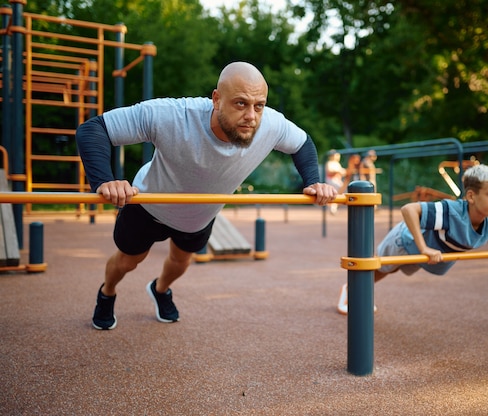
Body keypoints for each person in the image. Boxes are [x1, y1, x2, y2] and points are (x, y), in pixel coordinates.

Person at [76, 61, 337, 330]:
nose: (252, 116)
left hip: (198, 216)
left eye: (259, 105)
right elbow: (93, 129)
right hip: (149, 205)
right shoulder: (175, 116)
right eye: (240, 103)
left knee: (180, 262)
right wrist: (105, 181)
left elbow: (303, 142)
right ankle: (107, 292)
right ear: (216, 99)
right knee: (128, 261)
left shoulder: (270, 123)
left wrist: (314, 182)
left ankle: (160, 289)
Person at [337, 164, 488, 315]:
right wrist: (423, 247)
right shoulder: (451, 212)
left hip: (429, 248)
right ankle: (349, 290)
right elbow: (409, 210)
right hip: (406, 239)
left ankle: (357, 290)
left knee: (393, 270)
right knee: (383, 268)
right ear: (471, 196)